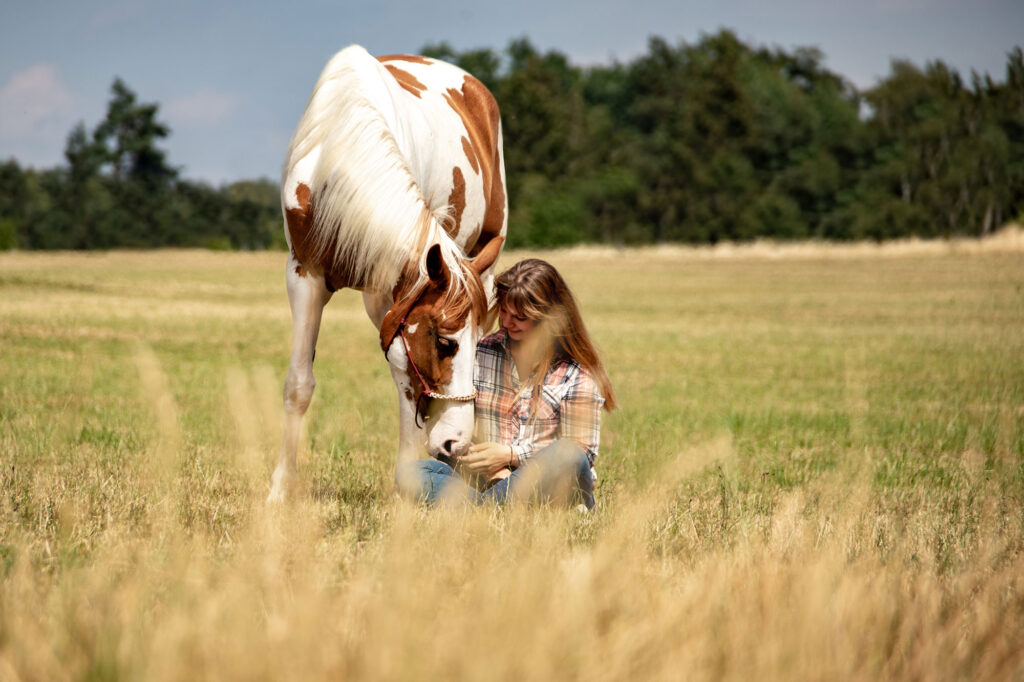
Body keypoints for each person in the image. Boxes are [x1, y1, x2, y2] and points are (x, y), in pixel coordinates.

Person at [396, 258, 617, 509]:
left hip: (552, 487)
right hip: (484, 480)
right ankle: (496, 505)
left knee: (570, 454)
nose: (507, 322)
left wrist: (511, 457)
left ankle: (481, 508)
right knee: (411, 473)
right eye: (503, 311)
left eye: (520, 317)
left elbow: (582, 454)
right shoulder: (483, 351)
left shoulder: (577, 373)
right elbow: (451, 418)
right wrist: (475, 458)